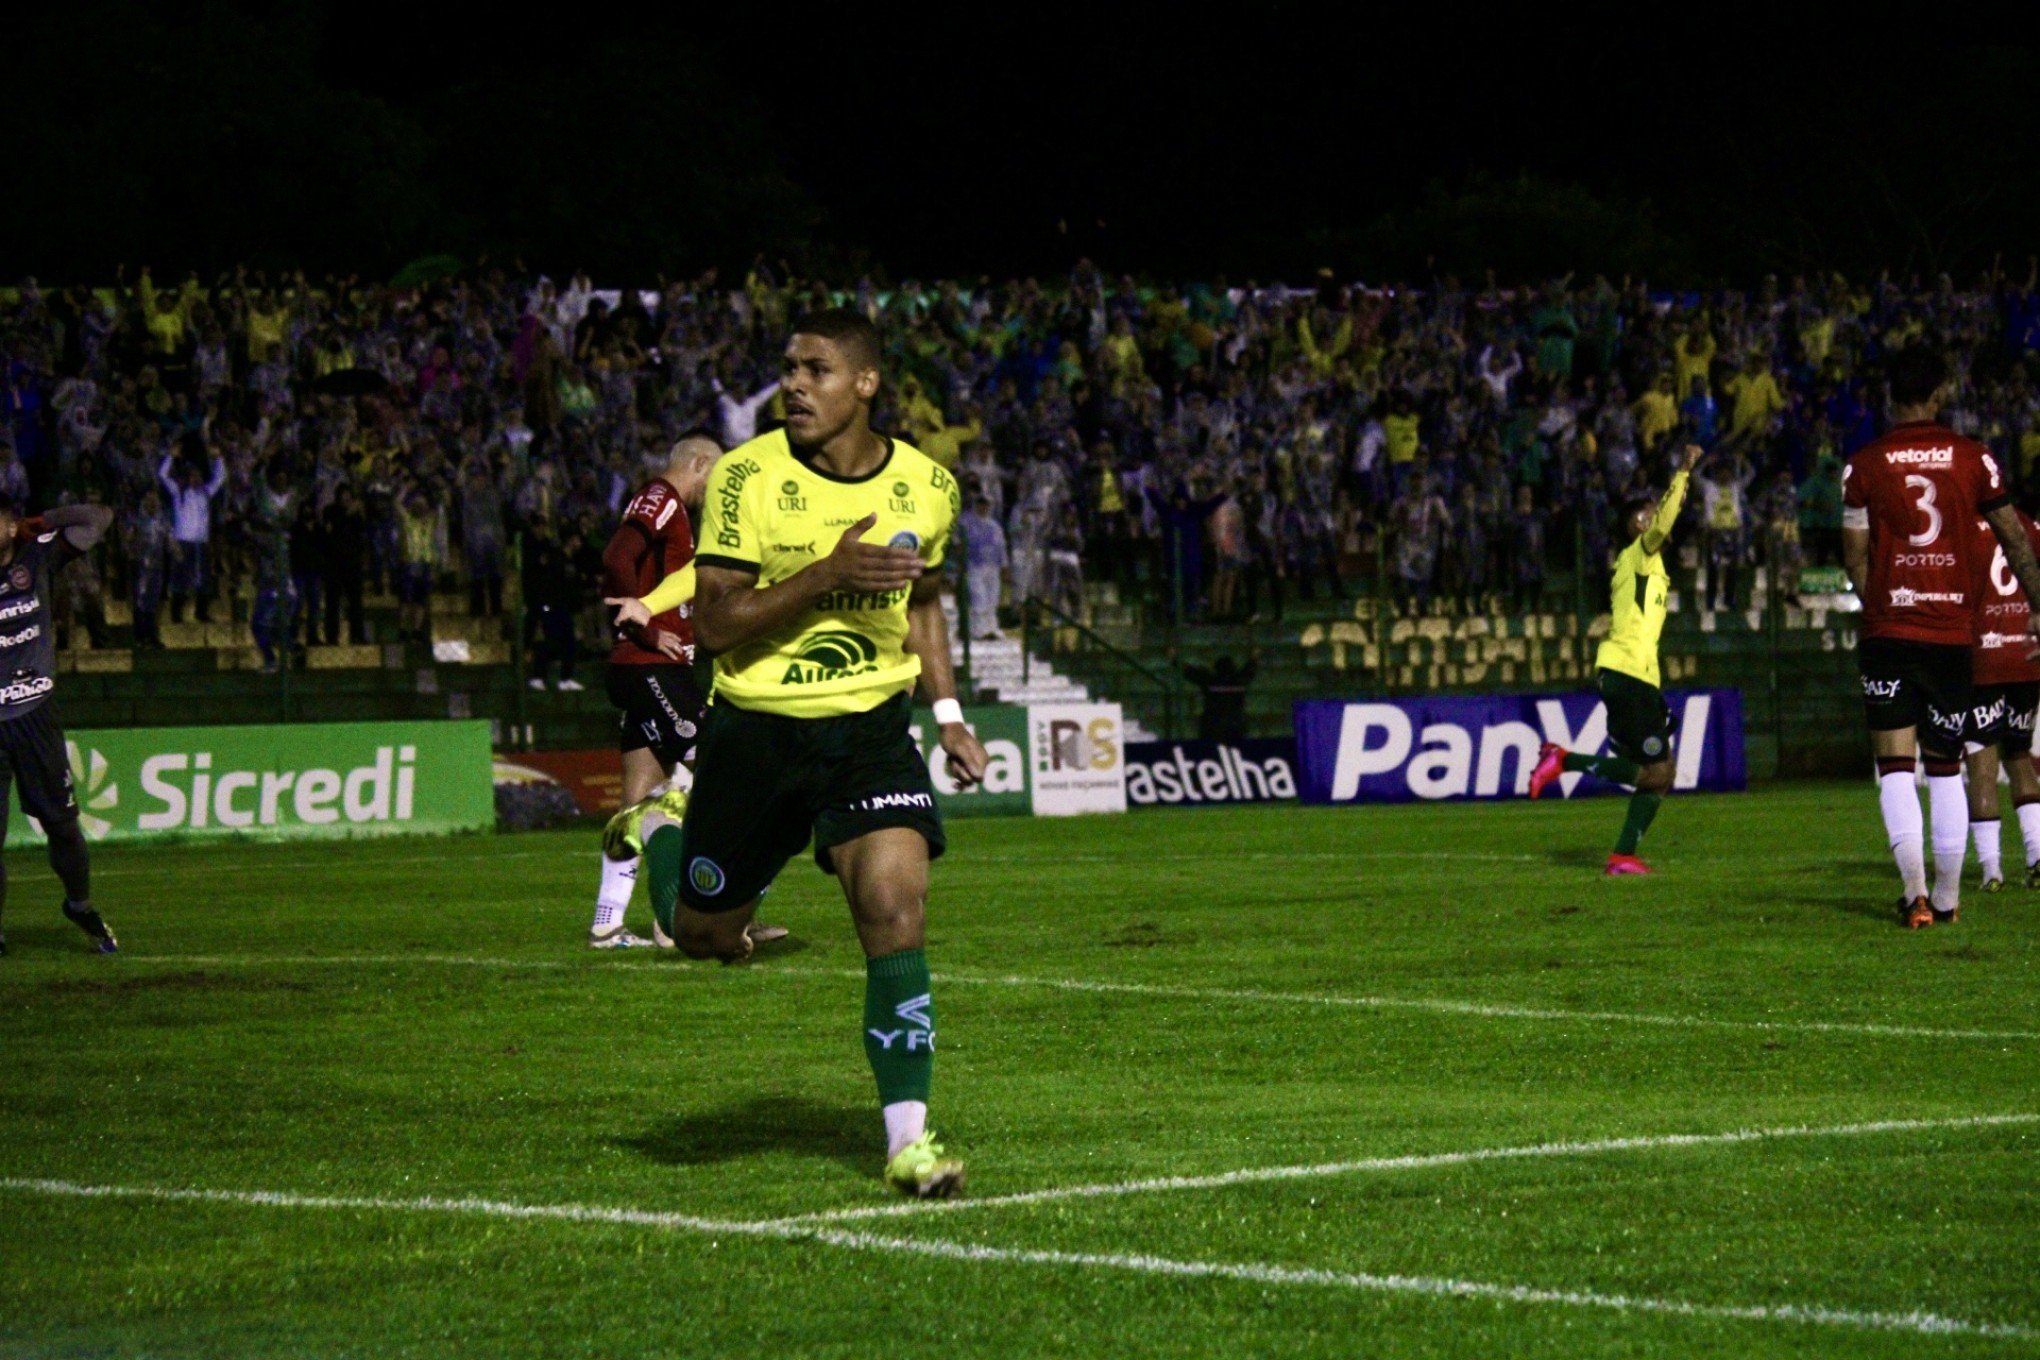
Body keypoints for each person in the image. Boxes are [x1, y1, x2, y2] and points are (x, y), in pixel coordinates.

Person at [609, 308, 985, 1197]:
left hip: (867, 732)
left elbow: (924, 600)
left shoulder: (929, 487)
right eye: (789, 368)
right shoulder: (746, 477)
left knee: (895, 904)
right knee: (705, 935)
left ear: (866, 384)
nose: (794, 384)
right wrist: (825, 573)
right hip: (757, 735)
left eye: (816, 369)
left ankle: (907, 1142)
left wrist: (950, 712)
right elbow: (714, 621)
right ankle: (660, 828)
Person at [1840, 347, 2040, 929]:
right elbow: (2013, 540)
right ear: (1939, 394)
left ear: (1891, 397)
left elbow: (1855, 556)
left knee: (1897, 767)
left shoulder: (1863, 466)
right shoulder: (1974, 459)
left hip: (1889, 631)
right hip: (1953, 634)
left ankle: (1916, 895)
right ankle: (1949, 900)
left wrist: (1880, 599)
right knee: (1947, 765)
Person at [585, 434, 785, 952]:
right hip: (653, 668)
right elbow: (616, 555)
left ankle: (606, 924)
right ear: (698, 464)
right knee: (731, 780)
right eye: (712, 479)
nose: (713, 493)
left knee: (636, 802)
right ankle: (725, 913)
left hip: (644, 672)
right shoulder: (662, 497)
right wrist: (643, 628)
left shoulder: (674, 513)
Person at [1529, 444, 1702, 874]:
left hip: (1633, 675)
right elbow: (1665, 517)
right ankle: (1563, 761)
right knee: (1658, 774)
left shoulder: (1651, 565)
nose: (1658, 515)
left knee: (1656, 774)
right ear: (1637, 524)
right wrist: (1681, 470)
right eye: (1647, 512)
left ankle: (1623, 855)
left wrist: (1678, 490)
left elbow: (1668, 512)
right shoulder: (1639, 555)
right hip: (1628, 674)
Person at [0, 496, 117, 956]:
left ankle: (80, 904)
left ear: (11, 528)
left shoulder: (38, 557)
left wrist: (46, 520)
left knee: (62, 826)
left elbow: (99, 518)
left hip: (35, 718)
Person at [1961, 506, 2040, 891]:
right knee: (2020, 757)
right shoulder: (2027, 525)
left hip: (1984, 658)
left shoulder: (1963, 529)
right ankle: (2037, 856)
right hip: (2026, 655)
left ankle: (1991, 869)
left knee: (1982, 766)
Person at [955, 495, 1007, 640]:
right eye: (980, 504)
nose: (983, 507)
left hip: (993, 566)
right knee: (979, 598)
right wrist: (961, 562)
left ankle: (992, 628)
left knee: (992, 598)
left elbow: (1001, 547)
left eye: (986, 504)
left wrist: (1004, 565)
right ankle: (978, 630)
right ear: (976, 505)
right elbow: (958, 543)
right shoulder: (967, 522)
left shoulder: (995, 526)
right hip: (975, 565)